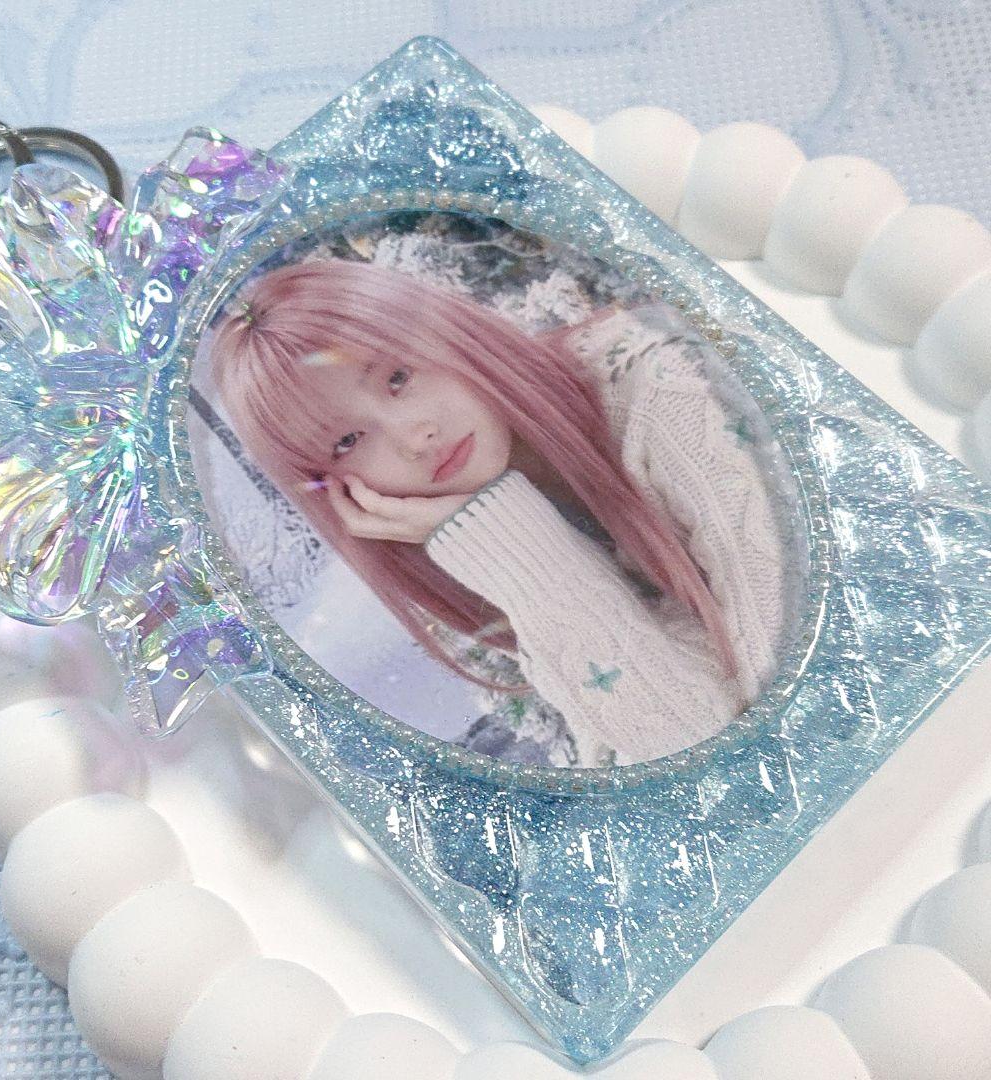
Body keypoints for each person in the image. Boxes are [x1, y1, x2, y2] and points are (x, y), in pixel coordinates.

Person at [208, 257, 795, 766]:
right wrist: (508, 543)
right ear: (338, 490)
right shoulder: (477, 540)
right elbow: (671, 747)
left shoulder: (666, 387)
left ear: (445, 334)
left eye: (398, 377)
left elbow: (773, 731)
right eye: (347, 442)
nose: (414, 436)